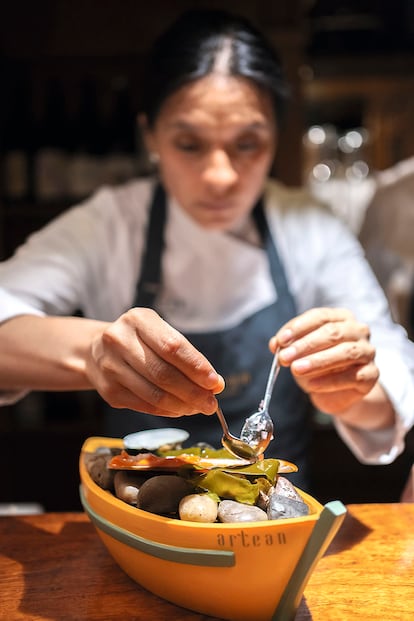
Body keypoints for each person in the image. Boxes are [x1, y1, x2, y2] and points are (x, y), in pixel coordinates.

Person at [0, 8, 413, 490]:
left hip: (275, 534)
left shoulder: (310, 228)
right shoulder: (109, 223)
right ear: (150, 136)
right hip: (141, 521)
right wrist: (92, 351)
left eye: (247, 144)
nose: (221, 176)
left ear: (276, 138)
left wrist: (351, 390)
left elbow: (393, 378)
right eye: (190, 144)